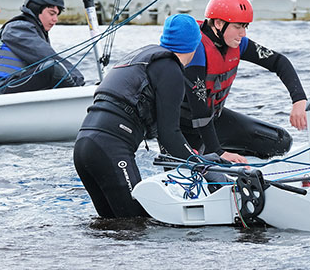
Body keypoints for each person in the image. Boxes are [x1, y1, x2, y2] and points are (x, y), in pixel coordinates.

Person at [73, 14, 209, 218]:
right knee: (137, 223)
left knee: (111, 228)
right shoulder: (170, 69)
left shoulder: (144, 56)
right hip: (111, 149)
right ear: (195, 45)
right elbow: (169, 135)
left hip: (83, 145)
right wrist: (203, 166)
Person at [181, 0, 308, 164]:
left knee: (280, 142)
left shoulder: (238, 44)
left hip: (213, 120)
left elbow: (279, 61)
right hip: (185, 128)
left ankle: (231, 154)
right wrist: (218, 152)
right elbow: (199, 112)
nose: (243, 34)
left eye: (245, 27)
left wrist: (299, 100)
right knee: (203, 169)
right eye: (238, 27)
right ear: (218, 23)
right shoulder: (196, 50)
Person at [0, 0, 84, 93]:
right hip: (1, 88)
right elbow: (47, 57)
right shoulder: (17, 29)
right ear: (36, 9)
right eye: (52, 13)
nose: (55, 19)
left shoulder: (36, 31)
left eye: (57, 15)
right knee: (52, 67)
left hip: (17, 85)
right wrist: (79, 82)